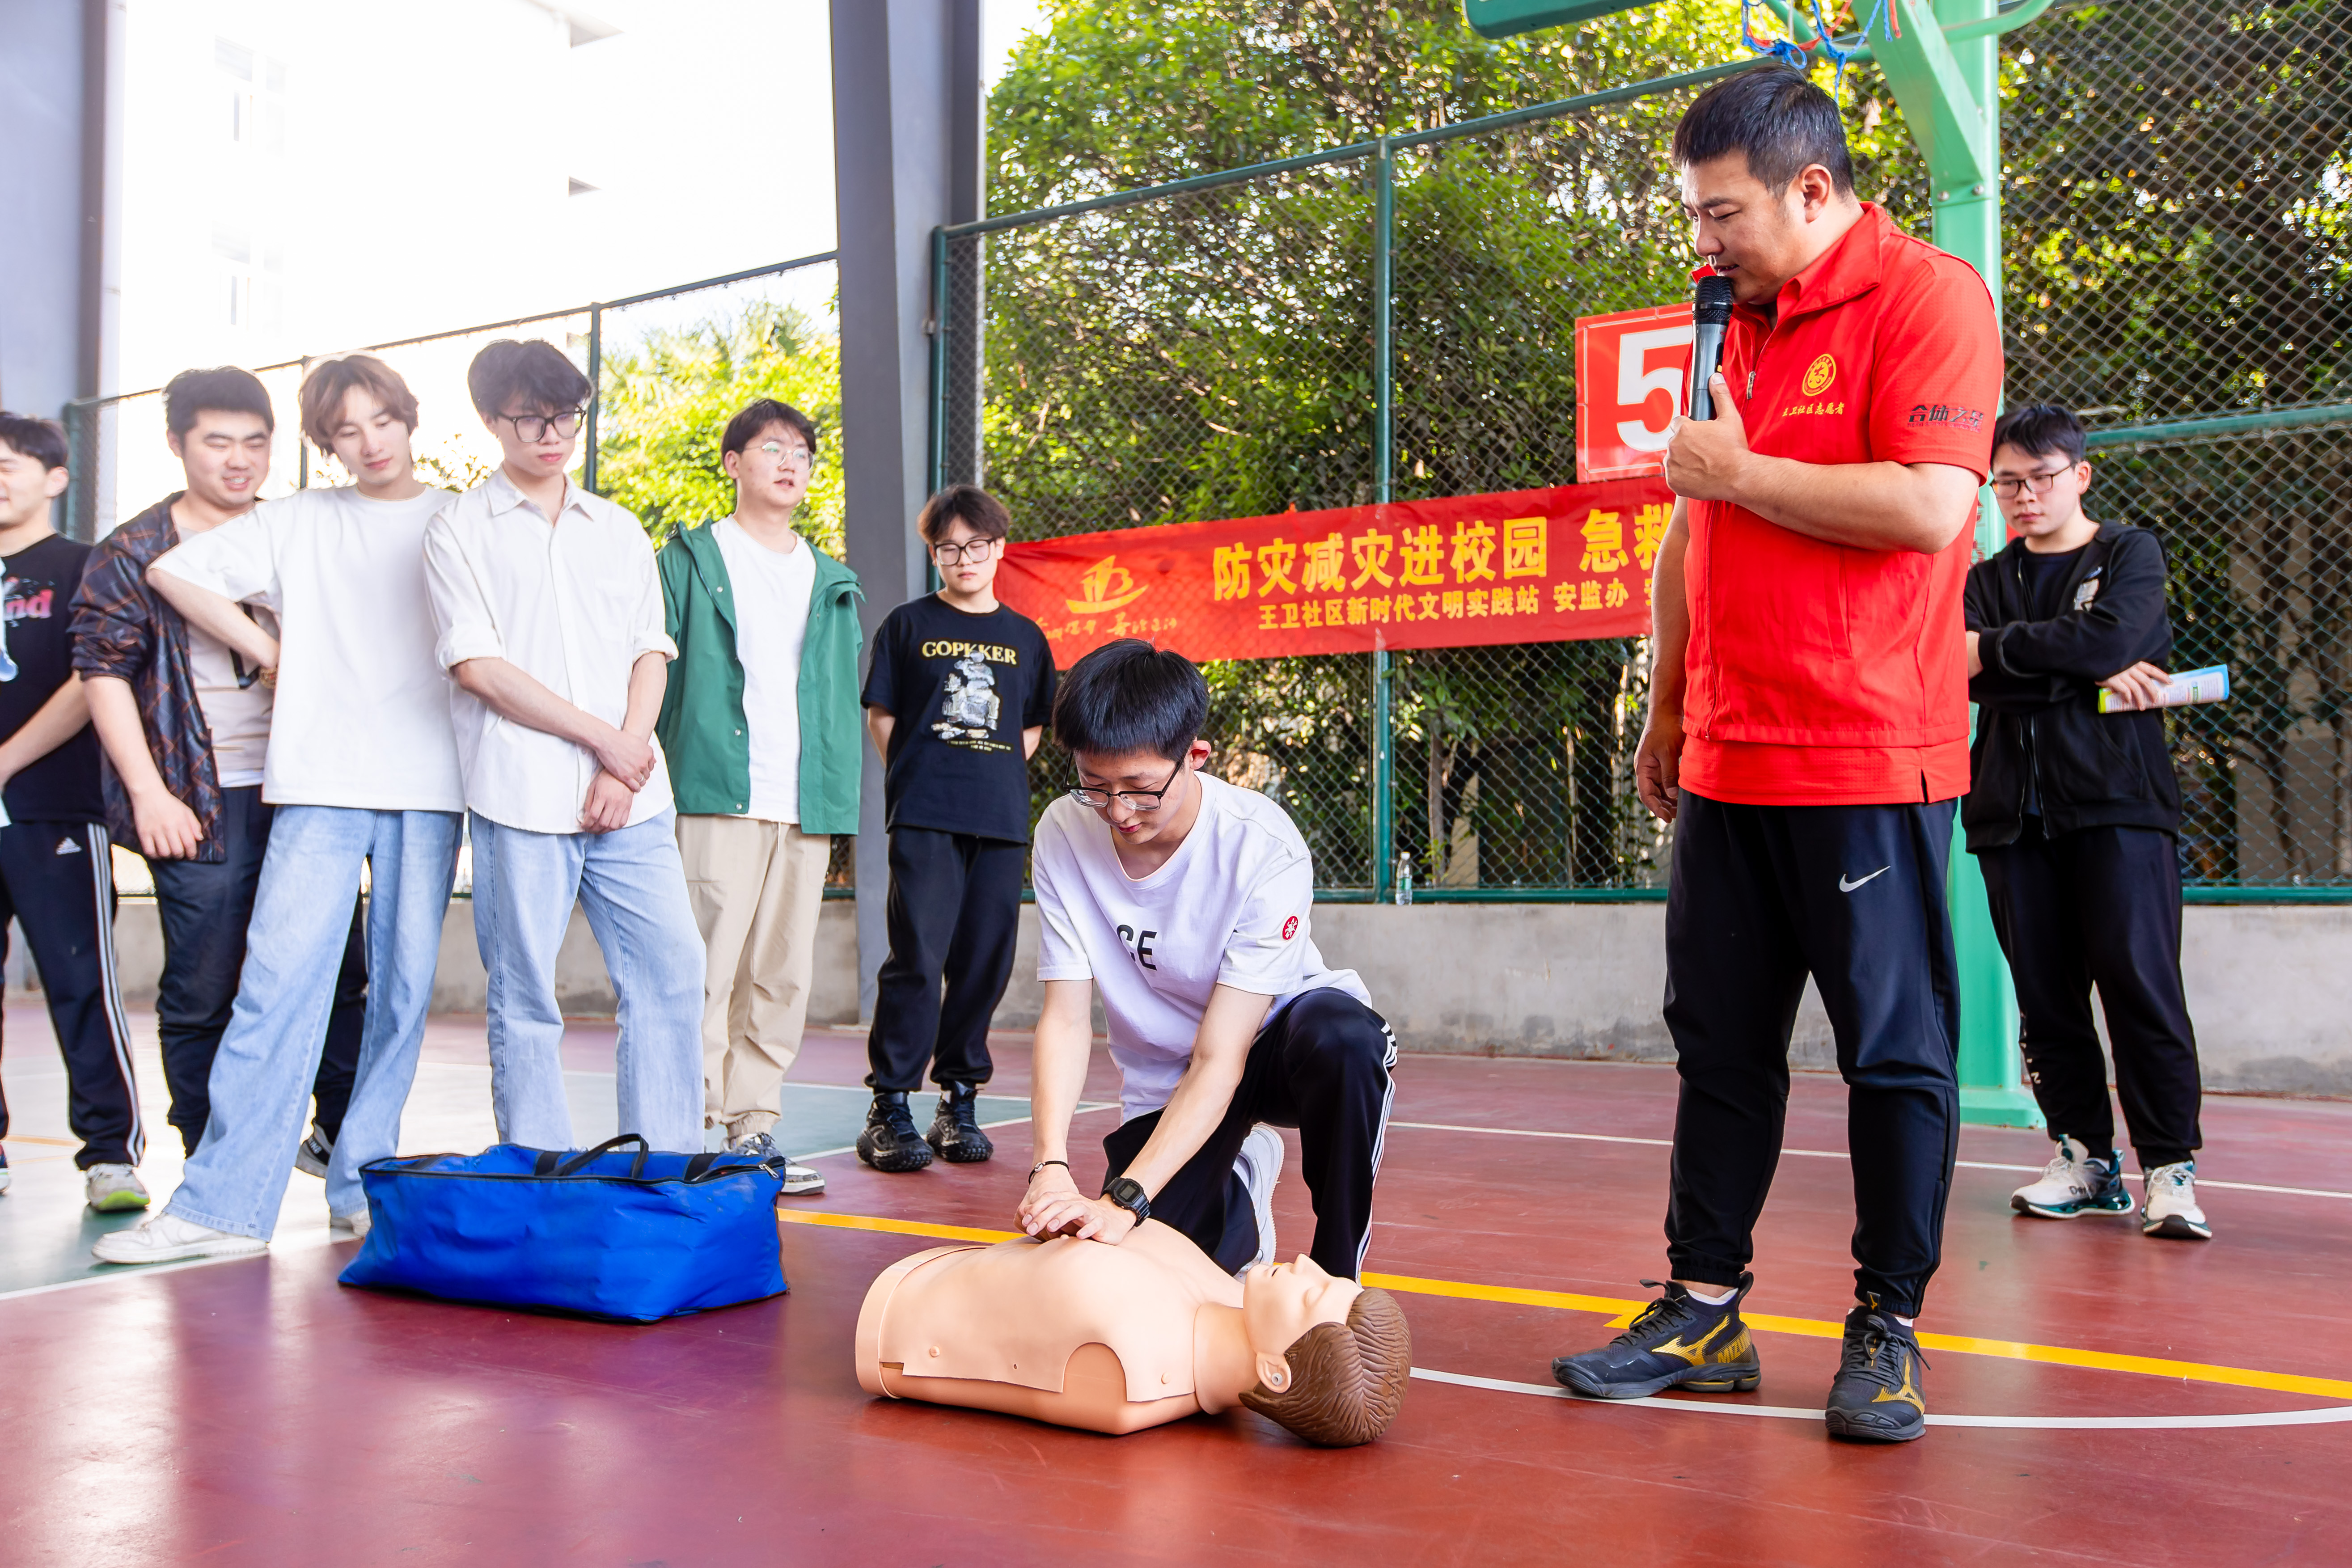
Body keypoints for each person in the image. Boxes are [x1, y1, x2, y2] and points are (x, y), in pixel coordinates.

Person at [1548, 67, 2003, 1444]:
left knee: (1893, 1055)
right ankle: (1703, 1306)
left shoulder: (1927, 299)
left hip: (1864, 754)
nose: (1703, 240)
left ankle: (1887, 1324)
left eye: (1722, 214)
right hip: (1729, 757)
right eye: (1693, 214)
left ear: (1812, 191)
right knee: (1719, 1045)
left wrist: (1737, 474)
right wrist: (1666, 705)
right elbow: (1690, 527)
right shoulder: (1726, 320)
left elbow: (1927, 508)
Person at [93, 355, 467, 1264]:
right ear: (326, 444)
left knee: (400, 995)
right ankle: (223, 1203)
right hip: (319, 782)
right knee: (274, 985)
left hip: (432, 782)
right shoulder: (298, 519)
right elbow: (175, 573)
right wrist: (270, 649)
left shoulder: (461, 517)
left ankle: (361, 1186)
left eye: (382, 421)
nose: (369, 443)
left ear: (409, 418)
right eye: (345, 431)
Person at [1015, 640, 1397, 1281]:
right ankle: (1244, 1176)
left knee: (1346, 1039)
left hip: (1275, 1047)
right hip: (1169, 1074)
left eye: (1140, 790)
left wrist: (1127, 1198)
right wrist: (1049, 1163)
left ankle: (1338, 1280)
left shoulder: (1262, 846)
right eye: (1095, 788)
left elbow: (1223, 1056)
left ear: (1194, 757)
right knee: (1143, 1273)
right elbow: (1066, 1018)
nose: (1118, 813)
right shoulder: (1062, 833)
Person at [73, 366, 368, 1175]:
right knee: (204, 984)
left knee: (341, 968)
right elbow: (102, 672)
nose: (239, 460)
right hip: (199, 794)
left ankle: (339, 1138)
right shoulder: (134, 550)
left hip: (306, 785)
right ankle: (211, 1159)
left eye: (255, 442)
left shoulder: (296, 529)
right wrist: (150, 793)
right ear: (177, 443)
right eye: (217, 442)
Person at [424, 339, 703, 1156]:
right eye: (531, 419)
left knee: (671, 971)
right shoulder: (457, 530)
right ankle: (538, 1171)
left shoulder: (617, 527)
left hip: (635, 799)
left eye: (567, 417)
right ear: (490, 419)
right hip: (521, 794)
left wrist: (627, 757)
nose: (553, 435)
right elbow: (478, 666)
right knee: (525, 995)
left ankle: (663, 1165)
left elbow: (650, 649)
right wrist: (605, 743)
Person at [1963, 404, 2208, 1240]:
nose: (2024, 496)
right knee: (2046, 997)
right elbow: (1955, 665)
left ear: (2081, 475)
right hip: (2011, 816)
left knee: (2142, 985)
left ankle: (2169, 1167)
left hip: (2119, 806)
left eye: (2040, 477)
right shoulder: (1984, 580)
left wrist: (2009, 653)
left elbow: (2111, 636)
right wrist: (2087, 664)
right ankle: (2085, 1158)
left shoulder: (2129, 553)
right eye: (2007, 483)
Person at [656, 398, 863, 1192]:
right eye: (773, 448)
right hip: (716, 791)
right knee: (704, 968)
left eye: (803, 453)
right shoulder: (692, 557)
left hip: (804, 800)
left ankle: (752, 1128)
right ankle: (687, 1127)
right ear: (733, 462)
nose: (790, 463)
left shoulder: (832, 578)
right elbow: (652, 665)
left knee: (782, 974)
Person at [855, 484, 1056, 1173]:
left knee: (984, 958)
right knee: (918, 953)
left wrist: (987, 773)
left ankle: (958, 1099)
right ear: (935, 554)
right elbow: (882, 714)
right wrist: (923, 772)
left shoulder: (1026, 637)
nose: (963, 558)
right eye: (949, 548)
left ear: (998, 548)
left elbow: (1029, 725)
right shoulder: (908, 625)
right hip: (925, 812)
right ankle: (889, 1106)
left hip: (999, 818)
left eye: (975, 545)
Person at [857, 1222, 1410, 1445]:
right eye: (1327, 1276)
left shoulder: (1130, 1375)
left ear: (1275, 1371)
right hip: (943, 1272)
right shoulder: (1223, 1294)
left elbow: (984, 1380)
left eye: (1312, 1294)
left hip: (897, 1311)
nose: (1306, 1263)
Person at [0, 412, 143, 1211]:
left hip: (52, 808)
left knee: (80, 982)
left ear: (56, 477)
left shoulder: (85, 566)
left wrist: (6, 760)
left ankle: (110, 1155)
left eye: (10, 463)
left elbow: (94, 679)